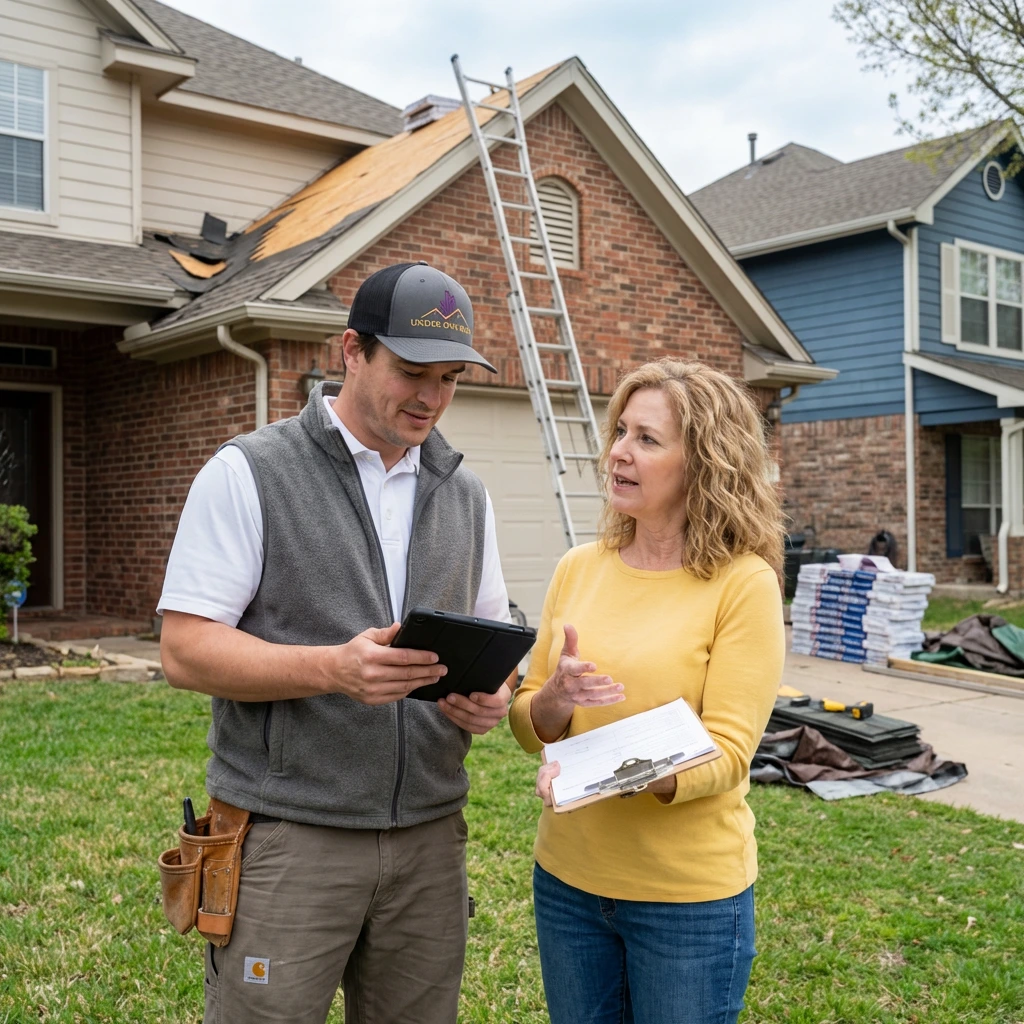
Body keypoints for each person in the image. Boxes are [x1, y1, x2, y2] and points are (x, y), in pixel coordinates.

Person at [159, 261, 516, 1024]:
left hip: (429, 836)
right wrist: (333, 668)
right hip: (290, 836)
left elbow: (494, 642)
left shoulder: (467, 494)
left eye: (450, 377)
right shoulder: (249, 473)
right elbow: (185, 650)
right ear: (352, 350)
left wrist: (493, 699)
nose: (432, 398)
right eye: (412, 371)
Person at [509, 358, 786, 1024]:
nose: (617, 454)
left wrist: (616, 770)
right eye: (620, 431)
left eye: (647, 439)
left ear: (706, 463)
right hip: (568, 886)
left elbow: (727, 753)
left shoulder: (743, 584)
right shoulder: (579, 567)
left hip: (687, 903)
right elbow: (529, 722)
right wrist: (556, 702)